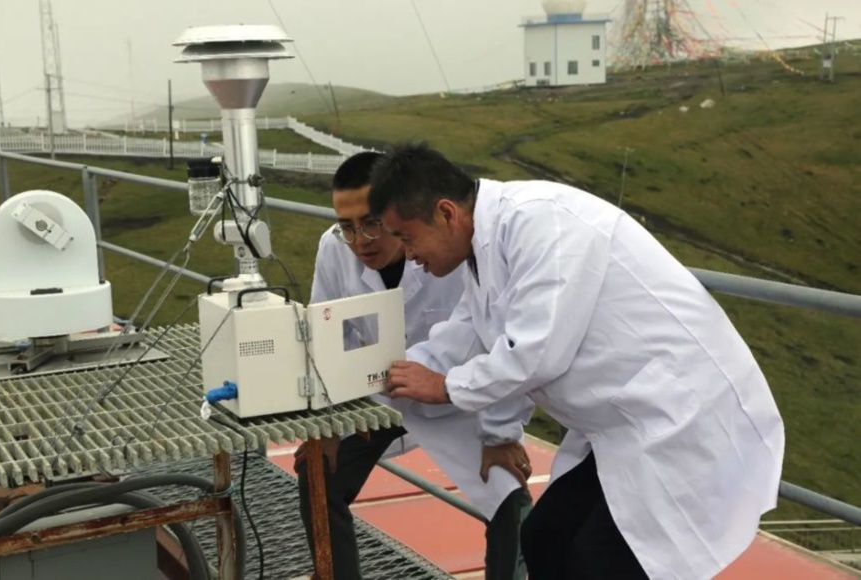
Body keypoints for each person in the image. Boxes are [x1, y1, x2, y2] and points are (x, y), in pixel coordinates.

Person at [370, 143, 785, 580]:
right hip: (624, 429)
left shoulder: (542, 222)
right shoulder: (482, 250)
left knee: (599, 562)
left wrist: (445, 387)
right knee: (544, 537)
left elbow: (536, 351)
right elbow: (465, 334)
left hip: (681, 417)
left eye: (406, 237)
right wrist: (374, 376)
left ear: (447, 213)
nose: (408, 254)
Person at [294, 151, 535, 580]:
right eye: (346, 226)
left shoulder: (451, 251)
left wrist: (502, 433)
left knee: (506, 489)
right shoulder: (334, 250)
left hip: (456, 393)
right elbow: (324, 335)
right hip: (378, 394)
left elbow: (502, 343)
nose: (360, 240)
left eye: (371, 222)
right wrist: (325, 424)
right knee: (316, 470)